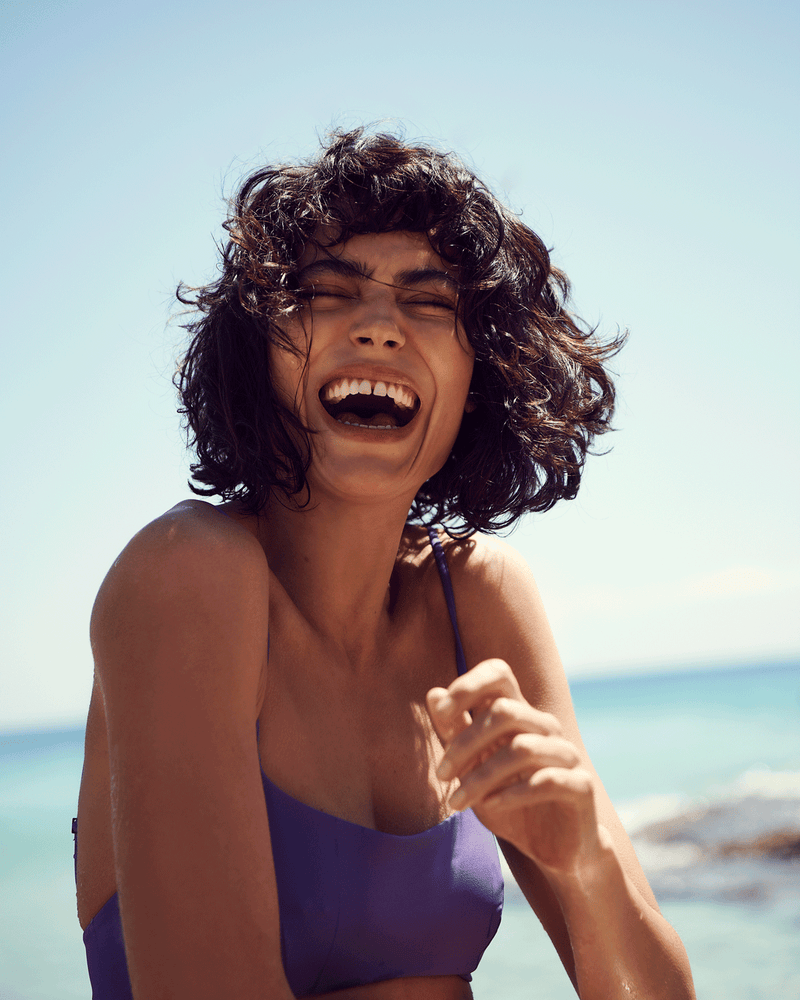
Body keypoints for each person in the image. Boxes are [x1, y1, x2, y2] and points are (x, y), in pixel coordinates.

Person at [73, 127, 696, 999]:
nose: (378, 328)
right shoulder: (186, 573)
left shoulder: (476, 595)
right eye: (328, 293)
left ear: (484, 375)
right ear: (260, 351)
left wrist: (588, 861)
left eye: (430, 303)